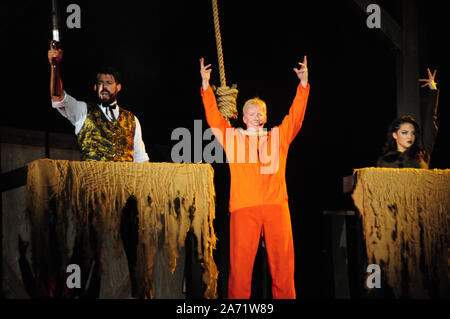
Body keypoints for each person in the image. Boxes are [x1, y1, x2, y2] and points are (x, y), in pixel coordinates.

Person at [199, 56, 310, 299]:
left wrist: (303, 86)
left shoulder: (278, 137)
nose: (256, 116)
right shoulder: (233, 139)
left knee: (283, 268)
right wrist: (206, 87)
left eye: (260, 113)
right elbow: (214, 119)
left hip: (276, 207)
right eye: (251, 113)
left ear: (265, 117)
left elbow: (296, 117)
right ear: (243, 117)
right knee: (239, 270)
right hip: (243, 208)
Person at [47, 41, 149, 162]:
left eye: (109, 83)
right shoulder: (83, 111)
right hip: (92, 180)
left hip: (124, 180)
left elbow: (141, 159)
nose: (104, 87)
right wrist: (55, 66)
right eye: (100, 83)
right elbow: (57, 96)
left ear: (118, 87)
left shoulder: (132, 119)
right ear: (95, 87)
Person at [377, 68, 439, 168]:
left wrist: (433, 91)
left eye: (413, 133)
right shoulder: (385, 160)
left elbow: (430, 120)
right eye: (404, 132)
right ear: (395, 135)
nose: (410, 136)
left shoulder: (422, 153)